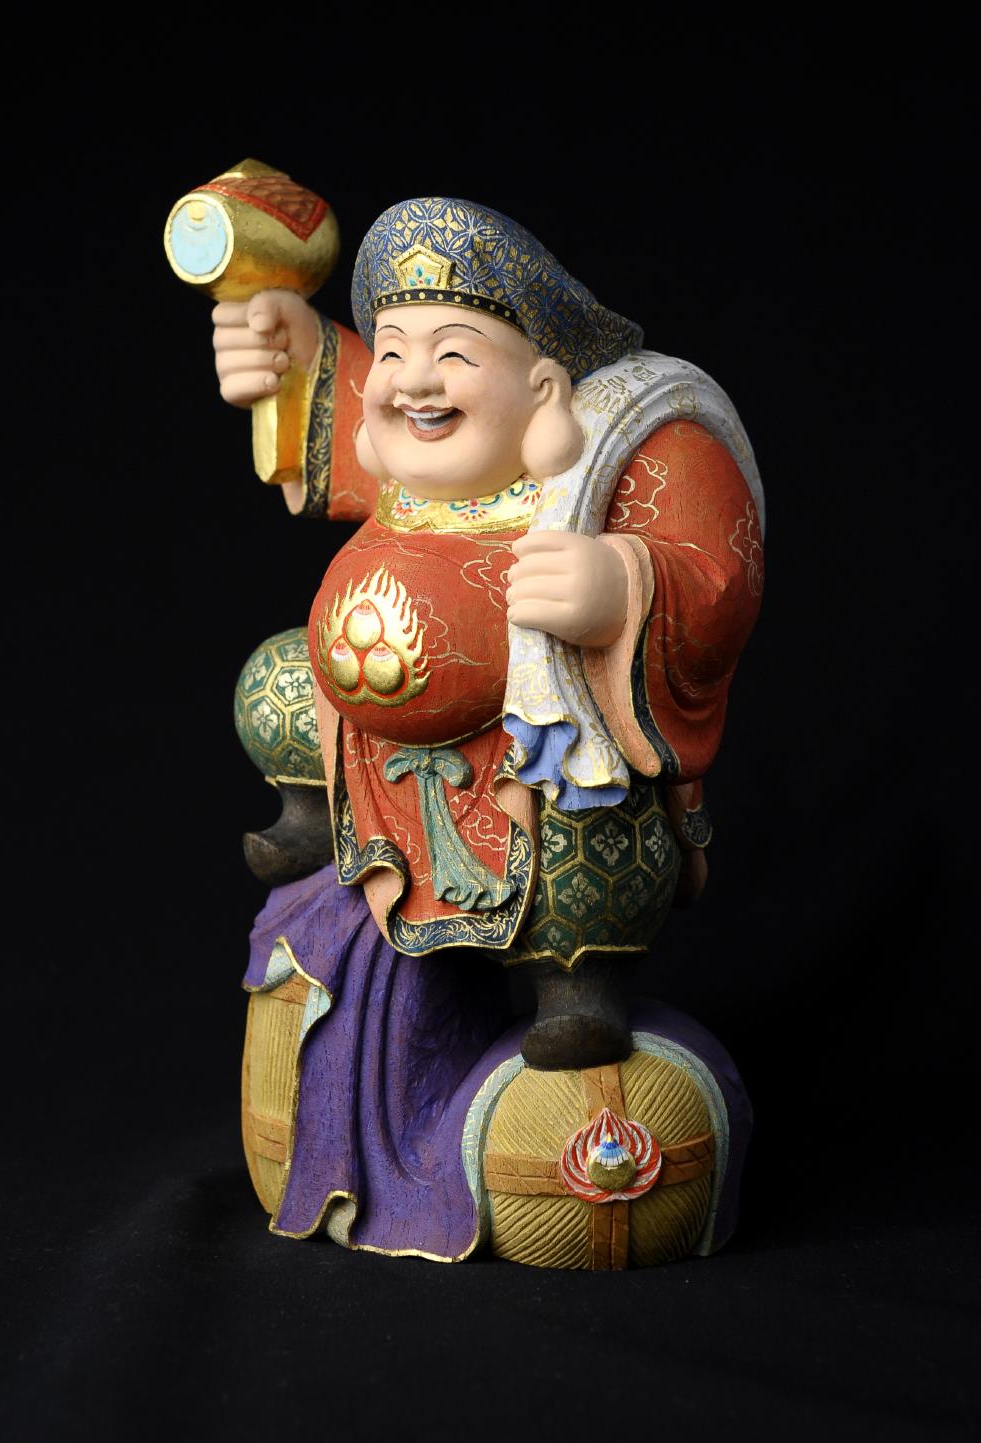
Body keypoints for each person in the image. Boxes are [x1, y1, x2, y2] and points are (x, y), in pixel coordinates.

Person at [221, 197, 763, 1078]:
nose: (413, 381)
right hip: (364, 741)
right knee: (274, 679)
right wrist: (287, 345)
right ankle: (321, 820)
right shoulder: (407, 458)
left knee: (592, 806)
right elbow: (343, 389)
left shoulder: (606, 462)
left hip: (524, 751)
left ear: (543, 390)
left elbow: (720, 572)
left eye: (454, 354)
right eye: (394, 351)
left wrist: (620, 586)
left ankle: (574, 986)